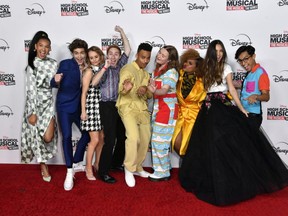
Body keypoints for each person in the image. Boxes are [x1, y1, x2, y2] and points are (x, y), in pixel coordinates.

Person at [179, 40, 288, 206]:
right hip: (207, 110)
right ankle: (214, 179)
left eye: (221, 50)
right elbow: (190, 70)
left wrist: (242, 108)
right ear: (211, 52)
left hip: (222, 108)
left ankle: (232, 181)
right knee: (208, 145)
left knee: (227, 144)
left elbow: (231, 89)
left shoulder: (226, 68)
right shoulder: (204, 68)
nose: (219, 53)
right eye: (216, 50)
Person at [50, 39, 90, 191]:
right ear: (72, 53)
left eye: (81, 53)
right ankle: (69, 171)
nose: (79, 56)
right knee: (66, 137)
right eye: (76, 53)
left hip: (80, 108)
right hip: (65, 107)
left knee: (88, 133)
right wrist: (55, 80)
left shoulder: (89, 67)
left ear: (85, 53)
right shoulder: (66, 64)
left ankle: (76, 160)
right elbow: (54, 82)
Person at [21, 31, 58, 182]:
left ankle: (44, 161)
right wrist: (32, 112)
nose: (44, 49)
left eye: (47, 46)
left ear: (50, 49)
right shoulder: (31, 66)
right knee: (38, 137)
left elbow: (55, 85)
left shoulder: (54, 63)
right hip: (36, 105)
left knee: (48, 137)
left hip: (50, 104)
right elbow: (30, 91)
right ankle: (43, 165)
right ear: (35, 47)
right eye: (41, 46)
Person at [116, 43, 153, 187]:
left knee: (145, 138)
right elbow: (121, 90)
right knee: (133, 137)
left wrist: (147, 90)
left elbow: (148, 96)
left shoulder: (145, 74)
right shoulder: (127, 68)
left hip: (141, 108)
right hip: (128, 107)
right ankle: (129, 168)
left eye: (148, 58)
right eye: (143, 57)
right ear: (137, 55)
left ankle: (138, 167)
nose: (145, 60)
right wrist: (126, 89)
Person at [97, 25, 131, 183]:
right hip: (107, 106)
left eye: (116, 54)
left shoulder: (121, 66)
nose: (113, 56)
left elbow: (128, 50)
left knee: (122, 136)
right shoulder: (102, 68)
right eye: (110, 53)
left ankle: (116, 163)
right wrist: (104, 67)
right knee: (110, 139)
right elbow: (93, 83)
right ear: (106, 55)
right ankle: (103, 171)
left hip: (120, 105)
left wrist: (122, 33)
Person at [147, 45, 180, 182]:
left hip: (167, 110)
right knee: (160, 141)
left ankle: (162, 172)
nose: (159, 56)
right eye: (159, 53)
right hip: (159, 109)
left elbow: (164, 91)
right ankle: (165, 167)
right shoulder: (157, 71)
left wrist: (152, 90)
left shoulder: (171, 72)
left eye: (163, 55)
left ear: (170, 60)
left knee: (159, 141)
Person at [80, 46, 110, 180]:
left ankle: (97, 164)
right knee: (95, 139)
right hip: (91, 107)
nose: (94, 60)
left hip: (100, 107)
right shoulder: (89, 71)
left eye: (96, 57)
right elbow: (84, 92)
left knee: (102, 139)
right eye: (91, 58)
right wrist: (83, 111)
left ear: (100, 56)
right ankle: (88, 168)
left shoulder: (102, 68)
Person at [171, 49, 206, 157]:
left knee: (193, 146)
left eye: (190, 63)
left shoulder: (203, 81)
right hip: (180, 114)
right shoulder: (179, 75)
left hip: (195, 116)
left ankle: (191, 168)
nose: (186, 64)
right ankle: (189, 165)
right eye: (186, 61)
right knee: (176, 142)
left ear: (197, 67)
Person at [235, 45, 270, 129]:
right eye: (240, 61)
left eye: (246, 59)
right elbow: (250, 88)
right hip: (244, 113)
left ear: (253, 56)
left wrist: (256, 96)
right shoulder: (249, 72)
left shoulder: (261, 73)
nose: (243, 63)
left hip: (253, 116)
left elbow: (266, 96)